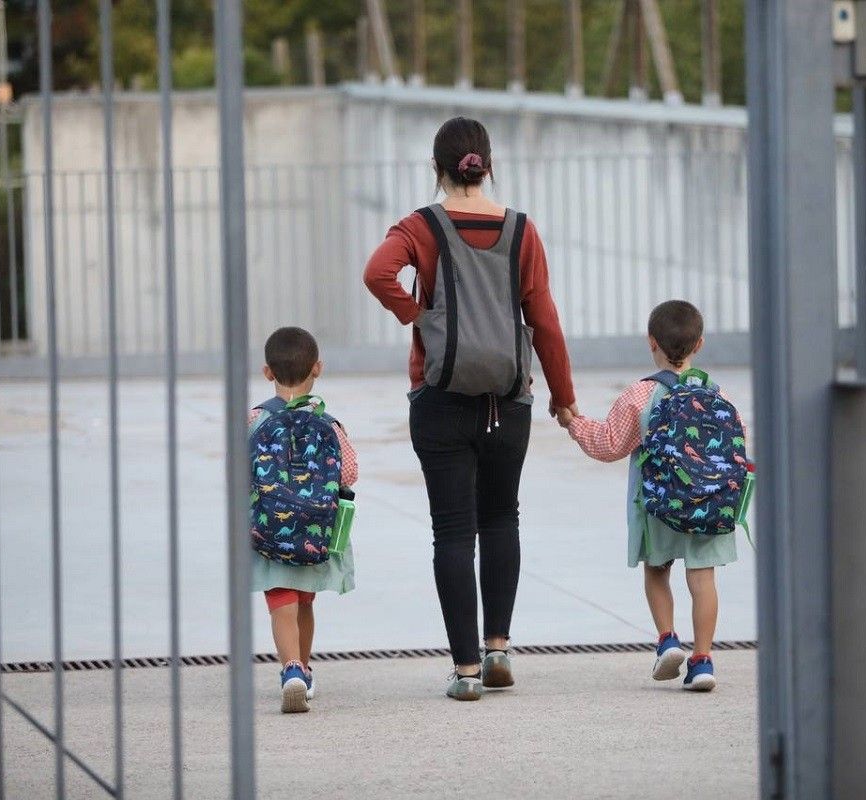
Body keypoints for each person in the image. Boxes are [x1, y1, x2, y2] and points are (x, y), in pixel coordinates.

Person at [363, 117, 577, 700]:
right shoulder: (522, 230)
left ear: (438, 168)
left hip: (440, 400)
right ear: (487, 162)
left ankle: (464, 672)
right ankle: (499, 648)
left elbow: (377, 272)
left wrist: (420, 319)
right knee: (501, 517)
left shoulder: (421, 227)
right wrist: (563, 395)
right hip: (509, 402)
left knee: (452, 530)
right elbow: (546, 321)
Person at [558, 300, 738, 691]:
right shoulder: (716, 392)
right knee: (702, 578)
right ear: (700, 344)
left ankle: (667, 640)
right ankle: (703, 660)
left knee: (657, 570)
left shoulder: (640, 395)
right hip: (709, 504)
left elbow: (607, 445)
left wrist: (574, 422)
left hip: (658, 504)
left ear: (651, 342)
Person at [249, 327, 359, 713]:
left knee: (281, 601)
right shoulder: (329, 424)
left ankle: (290, 668)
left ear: (267, 372)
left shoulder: (255, 421)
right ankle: (305, 669)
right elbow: (348, 474)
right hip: (315, 534)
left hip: (269, 533)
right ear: (318, 369)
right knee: (305, 603)